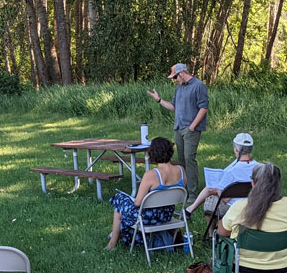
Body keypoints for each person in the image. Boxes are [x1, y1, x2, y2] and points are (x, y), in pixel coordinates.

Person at [106, 136, 185, 249]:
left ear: (152, 154)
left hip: (149, 218)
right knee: (124, 205)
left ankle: (112, 243)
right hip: (167, 215)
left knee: (119, 200)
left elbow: (138, 203)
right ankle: (116, 235)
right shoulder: (181, 170)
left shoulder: (151, 175)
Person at [147, 63, 209, 202]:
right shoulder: (179, 88)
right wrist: (159, 100)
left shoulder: (199, 86)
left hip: (191, 129)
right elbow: (173, 107)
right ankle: (183, 190)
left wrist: (192, 126)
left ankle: (193, 194)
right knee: (181, 160)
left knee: (189, 158)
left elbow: (204, 108)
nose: (174, 80)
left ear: (181, 73)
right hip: (178, 128)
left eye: (175, 77)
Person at [219, 162, 287, 269]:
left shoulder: (240, 207)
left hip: (243, 264)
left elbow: (222, 232)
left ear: (253, 184)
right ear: (278, 184)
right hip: (282, 263)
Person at [185, 133, 258, 223]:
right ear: (251, 149)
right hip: (253, 204)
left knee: (210, 198)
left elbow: (226, 199)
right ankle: (190, 209)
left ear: (236, 149)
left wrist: (217, 191)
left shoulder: (231, 171)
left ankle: (211, 234)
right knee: (212, 188)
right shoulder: (259, 168)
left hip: (233, 207)